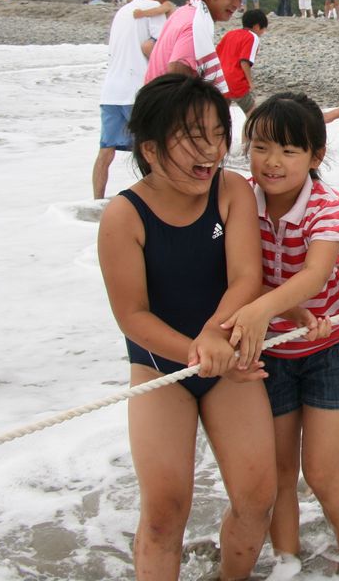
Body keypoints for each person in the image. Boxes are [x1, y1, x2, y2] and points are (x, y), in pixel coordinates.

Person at [97, 75, 274, 579]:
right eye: (194, 138)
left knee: (257, 496)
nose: (211, 151)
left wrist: (217, 337)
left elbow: (246, 276)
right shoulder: (123, 216)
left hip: (227, 362)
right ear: (150, 149)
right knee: (164, 511)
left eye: (219, 135)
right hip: (159, 368)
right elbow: (132, 317)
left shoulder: (231, 189)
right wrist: (198, 349)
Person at [221, 93, 339, 559]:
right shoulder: (241, 197)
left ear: (316, 156)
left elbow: (316, 273)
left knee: (323, 474)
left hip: (332, 350)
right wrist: (282, 312)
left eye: (289, 151)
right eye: (261, 147)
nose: (272, 162)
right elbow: (242, 270)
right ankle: (287, 563)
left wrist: (263, 311)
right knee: (281, 475)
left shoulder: (328, 205)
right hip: (272, 355)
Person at [94, 0, 172, 199]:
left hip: (110, 91)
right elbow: (157, 46)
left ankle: (97, 201)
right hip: (136, 91)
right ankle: (156, 200)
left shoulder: (121, 11)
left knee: (105, 151)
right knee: (153, 148)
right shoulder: (153, 8)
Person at [145, 0, 254, 94]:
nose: (237, 4)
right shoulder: (195, 26)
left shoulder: (185, 11)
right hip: (165, 105)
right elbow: (178, 71)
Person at [214, 8, 268, 115]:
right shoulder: (253, 37)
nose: (263, 32)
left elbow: (216, 54)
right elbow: (244, 61)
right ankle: (250, 131)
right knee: (252, 113)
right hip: (235, 80)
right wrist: (250, 83)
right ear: (257, 26)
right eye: (263, 29)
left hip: (220, 79)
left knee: (222, 114)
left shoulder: (230, 34)